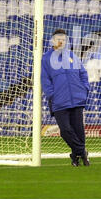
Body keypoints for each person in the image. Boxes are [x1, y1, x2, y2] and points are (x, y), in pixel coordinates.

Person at [41, 29, 91, 166]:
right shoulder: (46, 58)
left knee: (79, 131)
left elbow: (83, 73)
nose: (61, 41)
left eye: (63, 38)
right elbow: (45, 80)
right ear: (53, 40)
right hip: (59, 101)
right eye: (58, 38)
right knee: (65, 130)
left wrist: (85, 88)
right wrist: (52, 95)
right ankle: (82, 152)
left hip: (77, 98)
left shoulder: (72, 55)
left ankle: (76, 157)